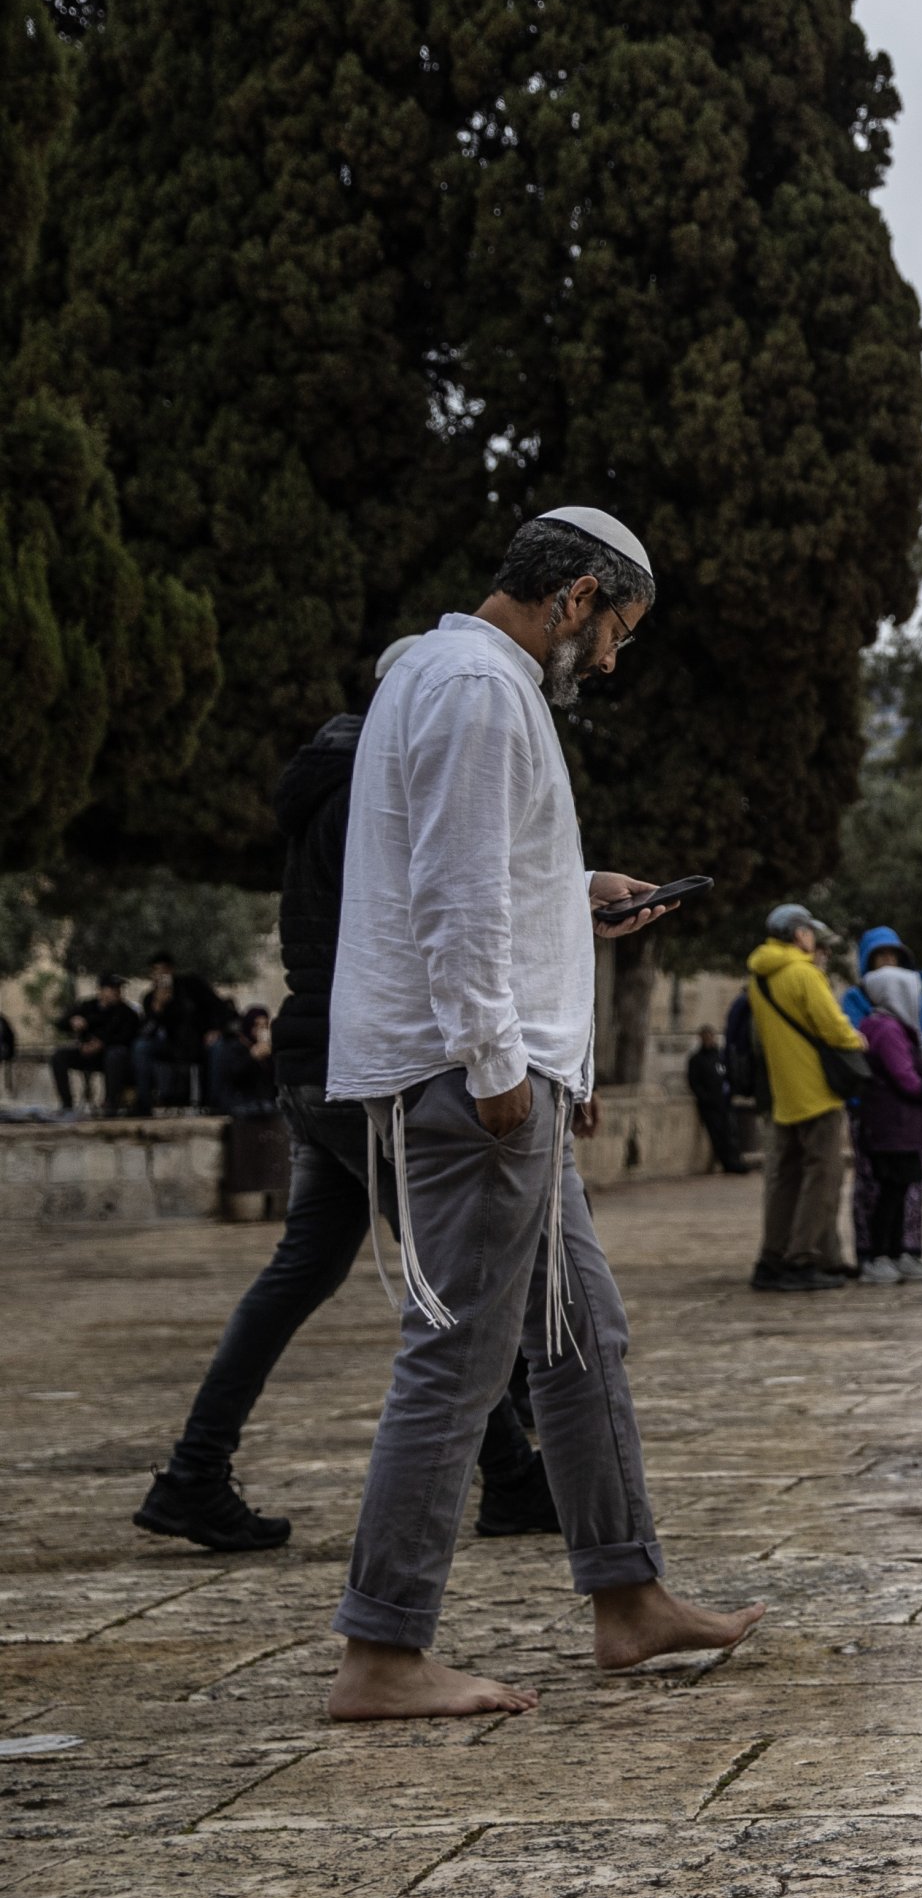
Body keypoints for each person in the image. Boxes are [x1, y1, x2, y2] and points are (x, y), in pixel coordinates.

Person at [321, 506, 759, 1719]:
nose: (612, 659)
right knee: (458, 1354)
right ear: (573, 596)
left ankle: (629, 1596)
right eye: (615, 629)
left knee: (582, 1335)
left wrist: (577, 900)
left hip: (509, 1071)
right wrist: (498, 1062)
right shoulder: (473, 688)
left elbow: (488, 878)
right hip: (474, 1086)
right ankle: (382, 1648)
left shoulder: (455, 677)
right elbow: (454, 896)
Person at [135, 639, 554, 1557]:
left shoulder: (324, 781)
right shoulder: (393, 778)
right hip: (374, 1060)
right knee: (453, 1282)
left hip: (307, 1055)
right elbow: (443, 914)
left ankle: (193, 1475)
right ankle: (514, 1479)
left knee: (307, 1274)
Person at [746, 903, 867, 1293]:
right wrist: (856, 1040)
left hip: (783, 1090)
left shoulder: (759, 978)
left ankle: (774, 1255)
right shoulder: (803, 973)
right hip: (816, 1090)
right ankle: (803, 1257)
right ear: (801, 935)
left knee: (785, 1178)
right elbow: (833, 1026)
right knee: (823, 1176)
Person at [853, 954, 922, 1284]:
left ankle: (899, 1252)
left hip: (902, 1127)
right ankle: (878, 1255)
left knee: (898, 1192)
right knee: (889, 1193)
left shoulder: (896, 1029)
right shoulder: (887, 1030)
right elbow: (907, 1080)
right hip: (893, 1126)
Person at [133, 952, 226, 1112]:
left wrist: (215, 1029)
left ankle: (215, 1103)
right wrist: (158, 1007)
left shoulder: (191, 986)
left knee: (218, 1047)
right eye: (156, 972)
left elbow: (217, 1007)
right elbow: (148, 1029)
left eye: (164, 971)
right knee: (141, 1047)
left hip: (197, 1041)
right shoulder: (150, 998)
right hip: (170, 1044)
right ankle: (144, 1103)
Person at [51, 977, 140, 1112]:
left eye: (118, 989)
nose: (116, 992)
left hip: (111, 1056)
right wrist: (73, 1021)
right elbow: (61, 1023)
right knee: (58, 1056)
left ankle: (111, 1103)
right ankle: (66, 1103)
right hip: (87, 1052)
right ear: (101, 991)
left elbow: (126, 1036)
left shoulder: (126, 1012)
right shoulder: (87, 1006)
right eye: (112, 989)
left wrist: (102, 1043)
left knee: (115, 1055)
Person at [686, 1027, 748, 1174]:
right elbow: (694, 1082)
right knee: (717, 1135)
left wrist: (731, 1091)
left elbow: (730, 1074)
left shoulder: (720, 1056)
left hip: (724, 1102)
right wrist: (705, 1097)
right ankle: (727, 1163)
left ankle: (735, 1161)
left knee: (731, 1133)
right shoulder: (696, 1060)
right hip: (709, 1105)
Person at [208, 1006, 278, 1116]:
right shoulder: (234, 1046)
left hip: (261, 1102)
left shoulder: (266, 1048)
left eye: (265, 1026)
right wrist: (252, 1057)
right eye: (257, 1025)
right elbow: (231, 1074)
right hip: (239, 1101)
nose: (261, 1030)